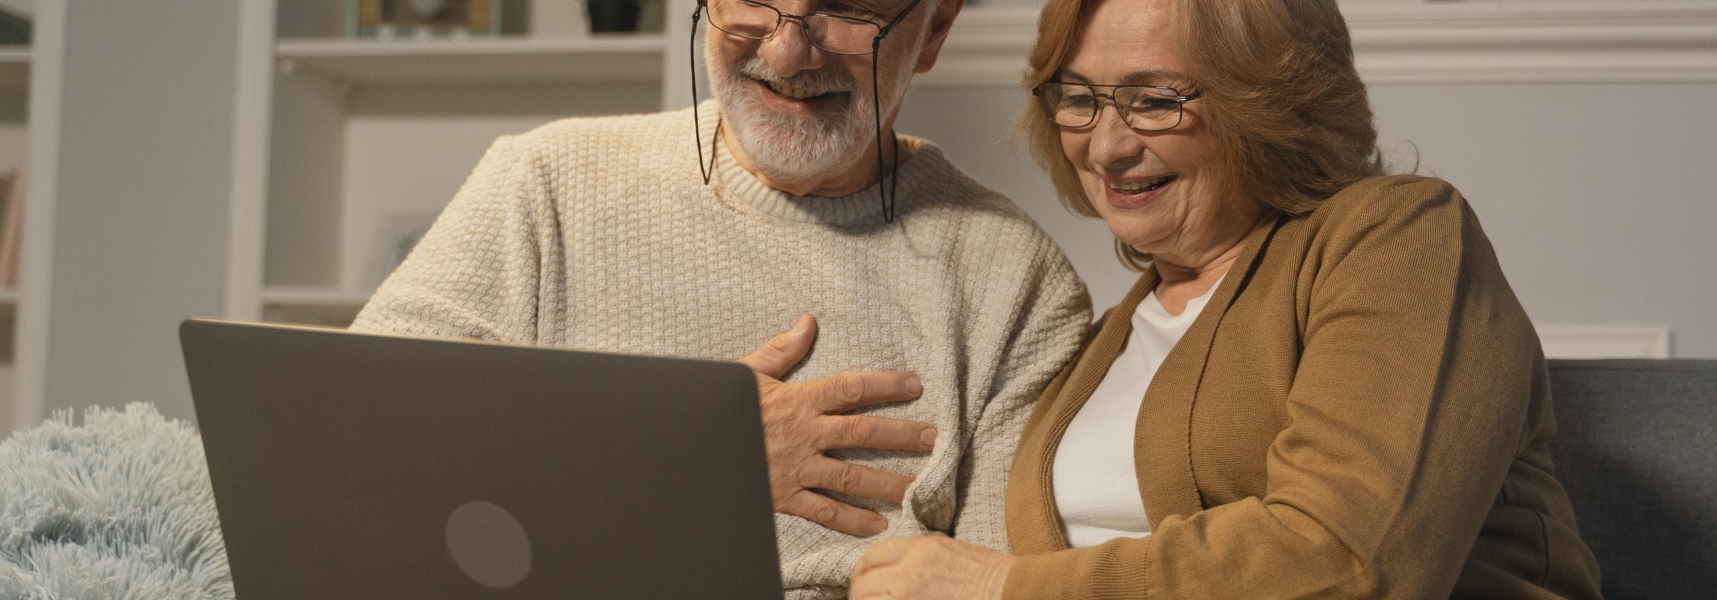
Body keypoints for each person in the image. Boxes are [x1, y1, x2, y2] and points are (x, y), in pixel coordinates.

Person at [844, 0, 1606, 597]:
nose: (1106, 146)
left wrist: (1003, 588)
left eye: (1154, 100)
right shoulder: (1105, 337)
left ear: (1269, 101)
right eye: (1078, 98)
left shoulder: (1395, 235)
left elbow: (1350, 563)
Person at [349, 0, 1094, 597]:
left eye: (842, 6)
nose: (786, 50)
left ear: (933, 28)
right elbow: (350, 443)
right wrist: (683, 451)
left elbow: (994, 577)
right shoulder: (541, 183)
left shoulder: (1017, 279)